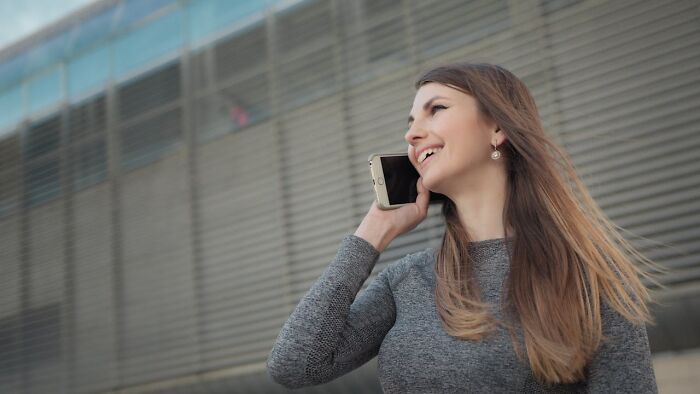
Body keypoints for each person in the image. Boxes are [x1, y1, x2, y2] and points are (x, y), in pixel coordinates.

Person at [266, 62, 661, 393]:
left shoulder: (586, 279)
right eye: (411, 120)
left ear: (497, 129)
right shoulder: (407, 281)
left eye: (435, 109)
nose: (411, 133)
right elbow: (296, 364)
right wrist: (372, 233)